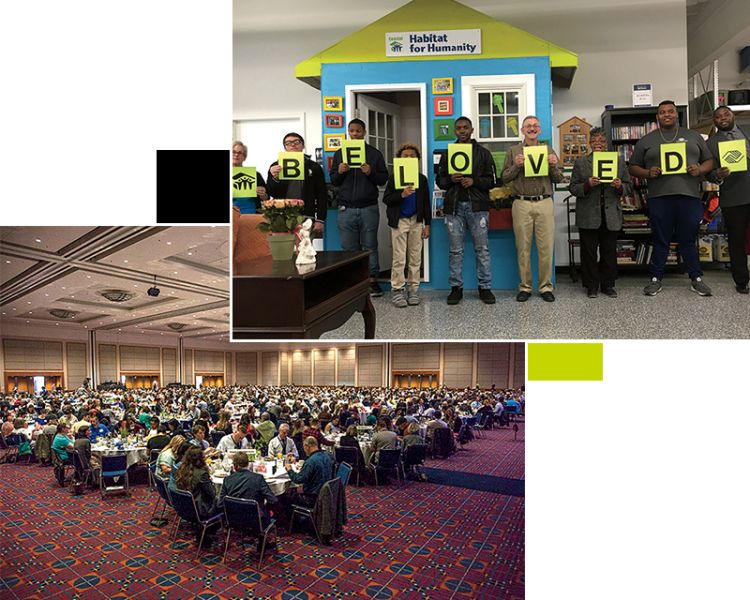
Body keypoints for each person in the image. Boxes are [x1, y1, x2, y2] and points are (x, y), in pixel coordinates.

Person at [628, 100, 714, 296]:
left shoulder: (693, 136)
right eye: (662, 112)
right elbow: (632, 167)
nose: (666, 115)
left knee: (688, 239)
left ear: (676, 115)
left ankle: (696, 278)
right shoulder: (647, 140)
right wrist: (648, 173)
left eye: (670, 111)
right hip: (660, 197)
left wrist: (699, 169)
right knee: (660, 239)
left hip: (689, 196)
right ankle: (656, 278)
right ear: (657, 117)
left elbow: (709, 161)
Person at [502, 115, 564, 302]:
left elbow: (559, 179)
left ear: (539, 130)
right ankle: (525, 287)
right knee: (523, 247)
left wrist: (553, 165)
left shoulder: (548, 150)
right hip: (521, 203)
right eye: (528, 126)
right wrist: (515, 166)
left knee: (546, 247)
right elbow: (504, 177)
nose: (532, 128)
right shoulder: (513, 151)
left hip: (544, 202)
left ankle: (545, 287)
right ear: (522, 130)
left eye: (535, 125)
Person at [437, 116, 496, 305]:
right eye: (459, 128)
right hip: (454, 208)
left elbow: (492, 180)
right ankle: (456, 288)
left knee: (483, 249)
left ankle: (485, 287)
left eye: (465, 128)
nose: (462, 131)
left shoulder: (484, 153)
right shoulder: (448, 154)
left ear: (472, 130)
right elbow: (440, 180)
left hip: (477, 207)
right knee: (455, 251)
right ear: (455, 131)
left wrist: (474, 181)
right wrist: (450, 180)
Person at [329, 118, 389, 297]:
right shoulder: (340, 153)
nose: (354, 134)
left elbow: (383, 179)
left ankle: (372, 281)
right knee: (348, 247)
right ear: (348, 132)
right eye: (351, 131)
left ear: (364, 132)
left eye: (358, 131)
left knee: (371, 245)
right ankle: (352, 283)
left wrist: (371, 173)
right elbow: (333, 180)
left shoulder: (374, 154)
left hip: (368, 206)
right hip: (345, 208)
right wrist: (338, 171)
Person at [569, 127, 631, 298]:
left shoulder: (618, 161)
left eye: (602, 141)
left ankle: (608, 285)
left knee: (609, 252)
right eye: (594, 141)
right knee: (588, 253)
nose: (598, 144)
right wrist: (587, 184)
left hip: (610, 214)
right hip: (588, 214)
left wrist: (620, 186)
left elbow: (629, 187)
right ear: (589, 143)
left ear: (606, 143)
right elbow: (573, 188)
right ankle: (591, 286)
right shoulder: (581, 163)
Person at [706, 105, 750, 294]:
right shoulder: (711, 143)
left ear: (733, 115)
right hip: (733, 197)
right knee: (736, 240)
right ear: (714, 121)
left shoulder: (747, 130)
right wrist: (718, 174)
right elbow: (708, 174)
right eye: (718, 117)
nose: (722, 118)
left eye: (726, 114)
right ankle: (741, 281)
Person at [382, 143, 431, 307]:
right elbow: (387, 199)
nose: (409, 158)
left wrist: (427, 224)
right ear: (399, 159)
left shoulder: (422, 179)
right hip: (399, 222)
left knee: (415, 257)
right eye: (405, 156)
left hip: (416, 221)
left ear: (417, 160)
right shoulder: (394, 178)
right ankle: (397, 290)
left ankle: (413, 289)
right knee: (399, 257)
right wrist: (401, 194)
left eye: (412, 156)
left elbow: (425, 203)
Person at [267, 132, 327, 237]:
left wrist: (320, 219)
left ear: (303, 146)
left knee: (304, 249)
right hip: (282, 215)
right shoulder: (276, 166)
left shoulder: (314, 167)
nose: (293, 145)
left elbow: (322, 194)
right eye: (288, 143)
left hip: (306, 215)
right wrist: (274, 178)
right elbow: (271, 192)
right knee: (284, 248)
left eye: (296, 142)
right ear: (285, 147)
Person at [217, 452, 278, 522]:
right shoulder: (258, 478)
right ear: (248, 464)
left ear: (234, 466)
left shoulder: (227, 480)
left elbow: (220, 504)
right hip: (256, 521)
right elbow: (273, 500)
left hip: (234, 520)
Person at [284, 436, 334, 507]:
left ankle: (291, 517)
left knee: (285, 495)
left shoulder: (311, 461)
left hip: (312, 498)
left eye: (304, 447)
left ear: (307, 446)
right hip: (326, 494)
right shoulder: (327, 456)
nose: (304, 450)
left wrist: (289, 470)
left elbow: (298, 480)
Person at [232, 140, 268, 214]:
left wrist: (262, 194)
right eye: (233, 152)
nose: (236, 155)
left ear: (244, 157)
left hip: (252, 214)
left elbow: (266, 198)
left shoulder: (255, 175)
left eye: (240, 153)